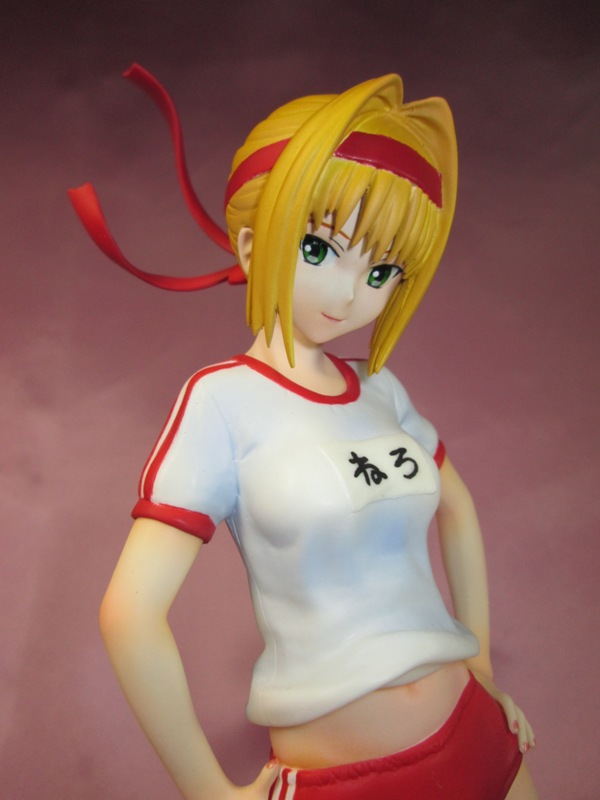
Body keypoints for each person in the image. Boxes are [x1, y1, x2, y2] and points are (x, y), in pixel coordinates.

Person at [71, 67, 537, 799]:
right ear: (250, 245)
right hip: (343, 774)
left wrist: (479, 667)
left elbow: (458, 507)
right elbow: (128, 614)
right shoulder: (221, 401)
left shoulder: (382, 390)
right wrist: (208, 790)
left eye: (382, 270)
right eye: (317, 250)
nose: (349, 293)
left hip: (477, 735)